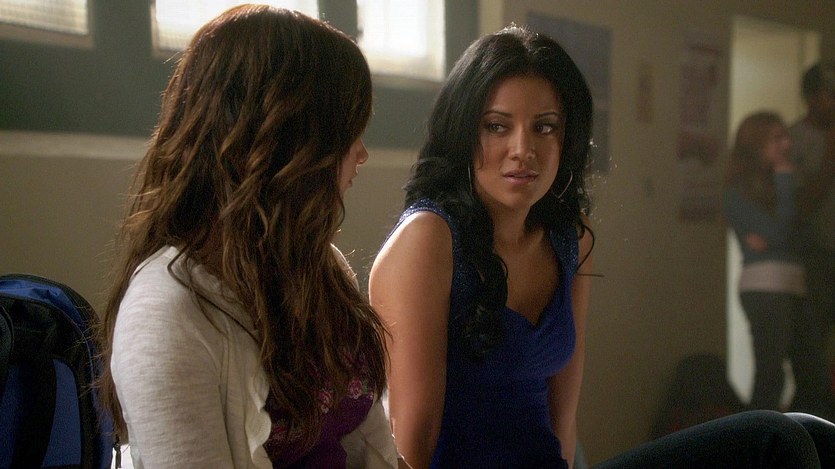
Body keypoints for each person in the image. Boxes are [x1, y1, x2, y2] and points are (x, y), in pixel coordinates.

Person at [369, 25, 835, 469]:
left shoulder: (567, 236)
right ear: (462, 131)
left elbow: (563, 423)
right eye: (496, 126)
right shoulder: (429, 237)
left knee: (811, 433)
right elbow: (412, 446)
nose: (522, 149)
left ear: (567, 138)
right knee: (777, 441)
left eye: (544, 127)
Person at [95, 5, 402, 468]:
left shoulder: (322, 266)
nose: (361, 153)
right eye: (346, 130)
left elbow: (372, 447)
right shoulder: (166, 312)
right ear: (284, 140)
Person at [724, 111, 835, 419]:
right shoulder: (737, 193)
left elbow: (796, 234)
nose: (787, 144)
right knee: (771, 378)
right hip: (764, 288)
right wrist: (785, 180)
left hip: (794, 286)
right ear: (755, 144)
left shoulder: (781, 186)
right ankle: (757, 441)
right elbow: (782, 233)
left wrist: (775, 234)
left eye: (786, 136)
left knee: (813, 374)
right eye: (777, 138)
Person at [788, 62, 835, 335]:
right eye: (832, 96)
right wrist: (830, 157)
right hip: (814, 255)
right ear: (811, 98)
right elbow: (799, 208)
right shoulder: (792, 141)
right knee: (813, 336)